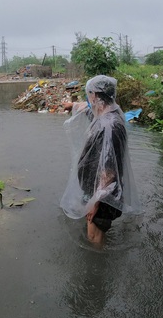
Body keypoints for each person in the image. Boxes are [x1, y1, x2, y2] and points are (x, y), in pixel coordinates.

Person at [60, 75, 140, 246]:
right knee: (94, 230)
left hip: (103, 194)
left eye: (89, 94)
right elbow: (89, 110)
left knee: (94, 238)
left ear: (95, 96)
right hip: (95, 188)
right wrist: (73, 105)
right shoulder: (108, 114)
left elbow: (109, 170)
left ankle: (98, 268)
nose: (88, 98)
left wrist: (96, 201)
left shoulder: (108, 126)